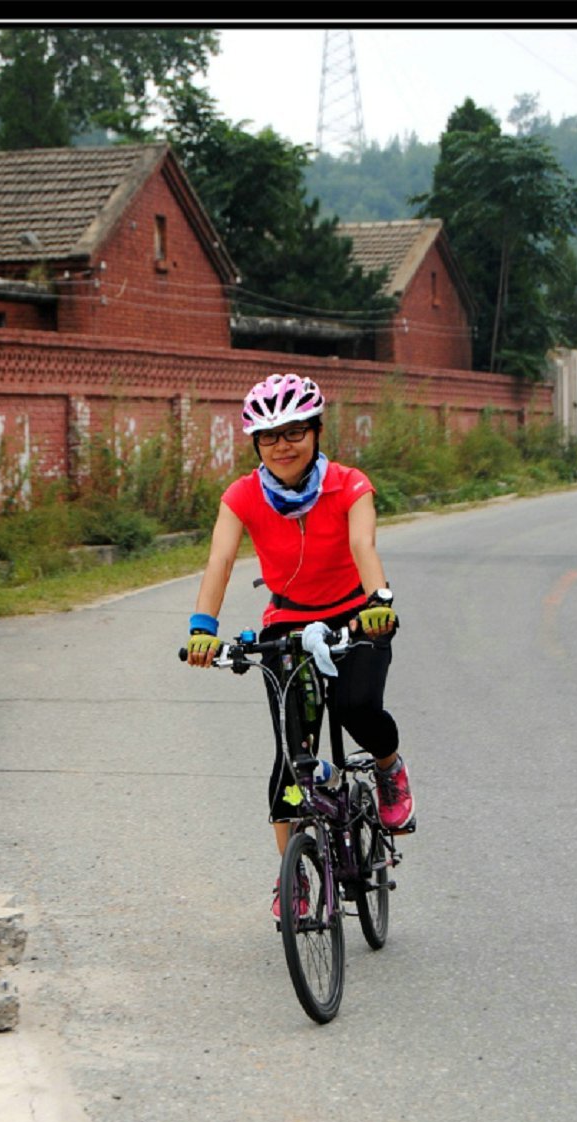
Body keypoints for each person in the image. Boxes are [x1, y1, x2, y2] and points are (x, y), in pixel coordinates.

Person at [185, 372, 414, 914]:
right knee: (293, 755)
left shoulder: (350, 484)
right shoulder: (242, 496)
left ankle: (388, 769)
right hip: (288, 624)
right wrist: (203, 628)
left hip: (358, 618)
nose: (282, 445)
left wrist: (378, 600)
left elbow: (363, 544)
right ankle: (294, 879)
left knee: (359, 709)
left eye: (294, 432)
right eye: (269, 435)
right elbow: (218, 561)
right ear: (256, 443)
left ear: (315, 431)